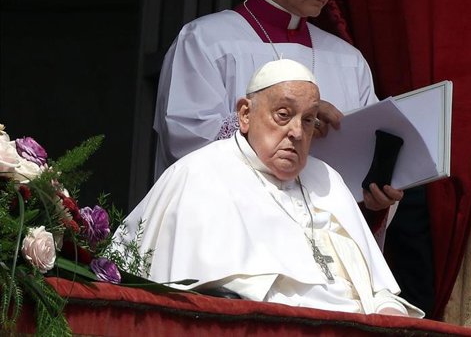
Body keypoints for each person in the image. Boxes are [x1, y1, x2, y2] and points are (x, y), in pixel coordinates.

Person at [116, 60, 423, 317]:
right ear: (245, 114)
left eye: (308, 121)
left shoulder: (327, 179)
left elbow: (375, 288)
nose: (296, 132)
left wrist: (387, 310)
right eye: (283, 115)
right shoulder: (200, 174)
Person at [153, 0, 401, 213]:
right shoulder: (207, 41)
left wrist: (375, 197)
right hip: (236, 229)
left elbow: (364, 161)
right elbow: (188, 144)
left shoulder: (348, 61)